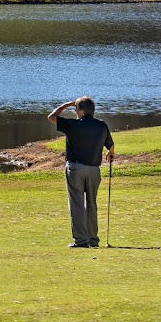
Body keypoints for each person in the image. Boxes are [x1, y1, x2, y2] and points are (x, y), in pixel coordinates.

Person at [47, 97, 114, 248]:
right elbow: (111, 145)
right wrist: (110, 153)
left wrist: (65, 105)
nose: (75, 112)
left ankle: (81, 241)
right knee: (92, 204)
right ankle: (93, 240)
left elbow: (51, 117)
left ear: (81, 110)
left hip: (75, 169)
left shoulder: (73, 125)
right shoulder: (101, 126)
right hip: (94, 170)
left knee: (77, 204)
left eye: (76, 109)